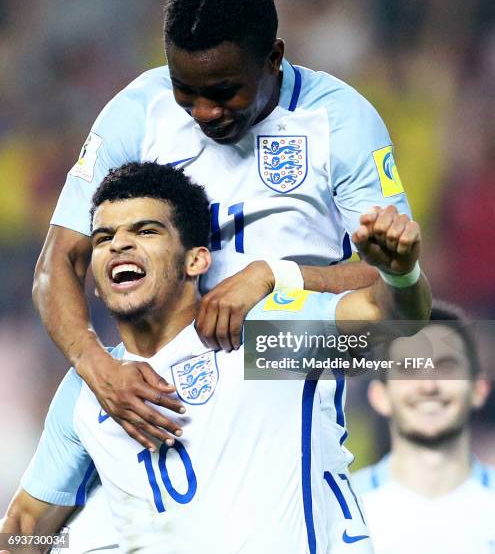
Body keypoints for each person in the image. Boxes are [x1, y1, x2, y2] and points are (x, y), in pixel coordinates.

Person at [33, 0, 413, 450]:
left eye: (224, 91)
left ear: (273, 57)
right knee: (28, 525)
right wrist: (97, 367)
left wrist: (272, 275)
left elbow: (396, 292)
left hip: (281, 393)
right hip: (153, 407)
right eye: (184, 91)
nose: (205, 112)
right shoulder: (137, 113)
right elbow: (57, 262)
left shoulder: (338, 122)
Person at [3, 162, 430, 553]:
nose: (120, 245)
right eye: (104, 238)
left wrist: (400, 273)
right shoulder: (89, 388)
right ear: (96, 281)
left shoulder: (254, 340)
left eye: (146, 231)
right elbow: (24, 526)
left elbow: (388, 315)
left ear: (196, 260)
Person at [352, 302, 495, 554]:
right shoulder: (342, 509)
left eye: (447, 368)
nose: (429, 386)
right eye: (409, 368)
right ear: (379, 396)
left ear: (478, 389)